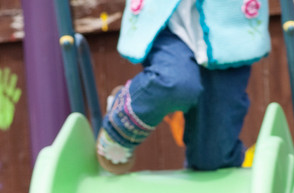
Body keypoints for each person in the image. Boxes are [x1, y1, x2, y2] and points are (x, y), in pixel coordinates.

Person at [96, 0, 270, 175]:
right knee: (174, 80)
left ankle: (215, 179)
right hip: (169, 20)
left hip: (228, 28)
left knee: (212, 159)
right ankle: (122, 120)